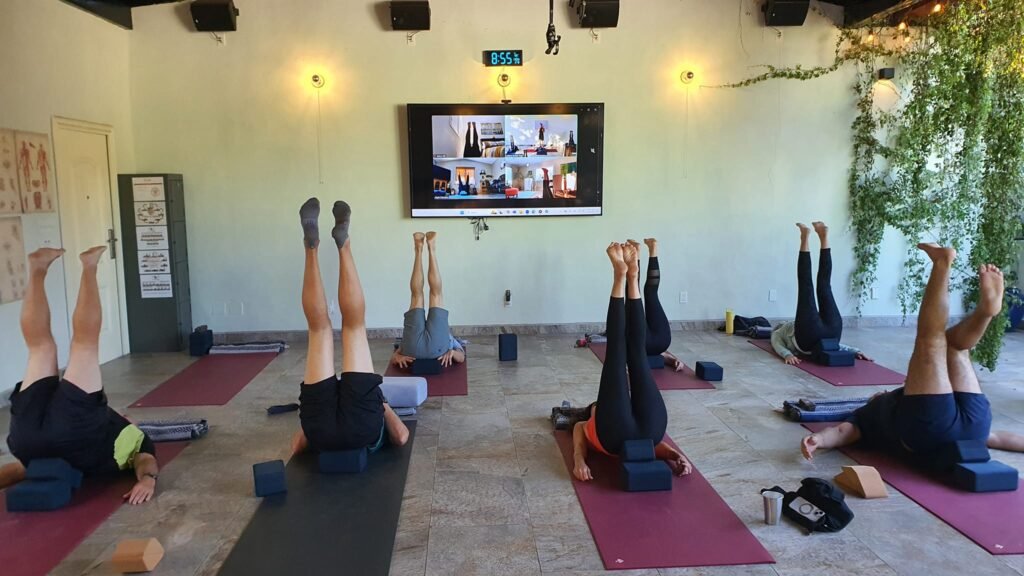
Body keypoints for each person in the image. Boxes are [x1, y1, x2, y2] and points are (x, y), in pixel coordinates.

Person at [801, 244, 1024, 464]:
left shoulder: (876, 412)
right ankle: (943, 265)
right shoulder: (863, 416)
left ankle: (983, 311)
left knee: (952, 346)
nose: (881, 393)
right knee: (931, 342)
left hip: (974, 429)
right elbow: (841, 432)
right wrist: (820, 439)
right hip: (934, 428)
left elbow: (996, 438)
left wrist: (819, 439)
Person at [0, 247, 160, 505]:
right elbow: (19, 470)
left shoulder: (137, 438)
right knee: (40, 348)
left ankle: (88, 266)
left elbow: (146, 460)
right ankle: (39, 268)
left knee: (84, 345)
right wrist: (146, 479)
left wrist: (149, 479)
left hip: (75, 435)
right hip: (26, 441)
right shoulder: (128, 439)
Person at [291, 199, 409, 457]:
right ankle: (311, 249)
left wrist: (382, 403)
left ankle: (343, 246)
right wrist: (310, 424)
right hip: (319, 430)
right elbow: (296, 447)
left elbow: (401, 436)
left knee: (354, 327)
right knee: (318, 329)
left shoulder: (374, 420)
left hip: (362, 424)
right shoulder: (317, 435)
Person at [571, 242, 693, 482]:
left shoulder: (589, 423)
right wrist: (673, 453)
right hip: (631, 434)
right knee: (622, 356)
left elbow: (579, 431)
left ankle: (628, 278)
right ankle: (626, 280)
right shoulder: (591, 420)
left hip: (641, 432)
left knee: (632, 355)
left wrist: (579, 460)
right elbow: (650, 447)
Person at [772, 222, 872, 365]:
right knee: (808, 286)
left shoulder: (781, 332)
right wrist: (786, 354)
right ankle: (810, 237)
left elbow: (836, 345)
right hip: (809, 336)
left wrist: (854, 351)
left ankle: (820, 236)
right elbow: (776, 344)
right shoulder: (779, 331)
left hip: (831, 334)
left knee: (823, 285)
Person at [391, 232, 466, 370]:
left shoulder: (448, 337)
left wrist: (396, 356)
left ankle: (425, 248)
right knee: (417, 295)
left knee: (434, 294)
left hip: (416, 349)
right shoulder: (451, 342)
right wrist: (453, 353)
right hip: (428, 350)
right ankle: (422, 248)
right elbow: (461, 358)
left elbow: (395, 356)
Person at [626, 238, 686, 372]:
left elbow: (659, 354)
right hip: (649, 343)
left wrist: (673, 359)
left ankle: (648, 251)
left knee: (649, 293)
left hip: (661, 342)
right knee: (637, 293)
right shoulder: (641, 350)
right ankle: (640, 252)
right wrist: (673, 359)